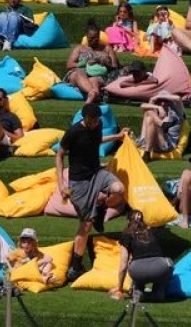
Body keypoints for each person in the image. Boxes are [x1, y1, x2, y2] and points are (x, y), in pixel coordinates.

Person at [57, 103, 128, 281]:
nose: (94, 124)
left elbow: (98, 140)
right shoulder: (73, 132)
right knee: (86, 225)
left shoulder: (98, 125)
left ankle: (101, 205)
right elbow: (59, 155)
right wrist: (60, 184)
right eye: (91, 121)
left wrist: (117, 136)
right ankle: (76, 265)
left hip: (97, 173)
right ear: (84, 118)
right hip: (79, 182)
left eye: (96, 121)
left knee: (119, 189)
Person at [111, 210, 173, 302]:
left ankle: (138, 289)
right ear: (143, 221)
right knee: (169, 263)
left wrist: (119, 287)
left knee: (133, 264)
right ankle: (158, 292)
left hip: (137, 270)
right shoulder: (153, 230)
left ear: (128, 221)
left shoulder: (126, 235)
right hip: (159, 268)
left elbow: (123, 266)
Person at [64, 20, 120, 103]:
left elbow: (115, 67)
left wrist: (105, 63)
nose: (94, 40)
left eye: (96, 38)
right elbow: (69, 65)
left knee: (94, 80)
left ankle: (92, 96)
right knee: (78, 73)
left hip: (99, 76)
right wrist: (85, 62)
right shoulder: (80, 48)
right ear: (86, 36)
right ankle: (93, 93)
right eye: (91, 38)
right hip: (80, 74)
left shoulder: (107, 49)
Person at [137, 90, 184, 163]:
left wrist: (159, 97)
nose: (162, 103)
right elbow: (142, 105)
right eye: (160, 101)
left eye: (166, 100)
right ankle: (162, 125)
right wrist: (158, 107)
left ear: (170, 101)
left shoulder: (177, 112)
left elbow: (178, 98)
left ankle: (147, 154)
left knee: (150, 118)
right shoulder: (156, 110)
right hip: (151, 141)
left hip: (166, 145)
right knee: (149, 113)